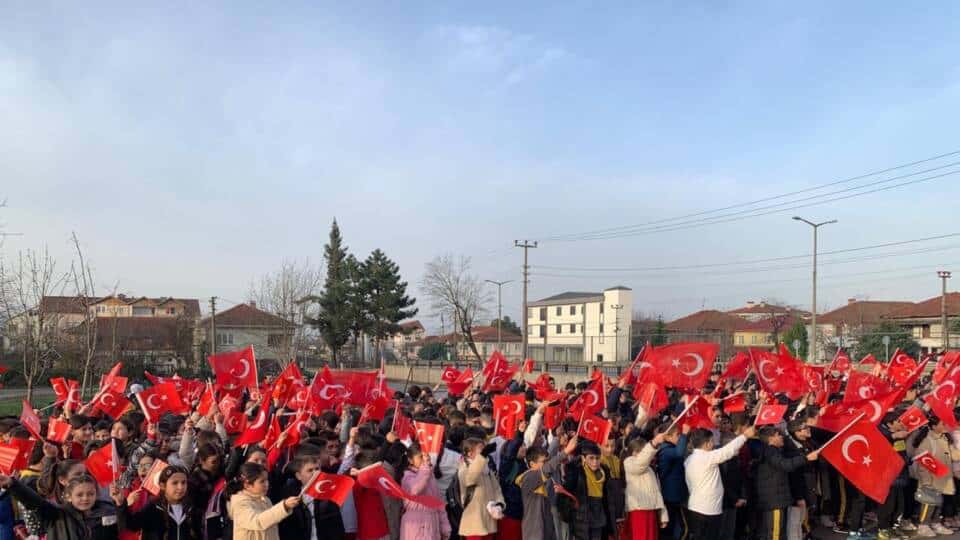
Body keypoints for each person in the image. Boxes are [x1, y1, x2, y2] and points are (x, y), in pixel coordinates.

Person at [683, 425, 755, 540]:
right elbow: (726, 451)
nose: (714, 444)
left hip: (696, 507)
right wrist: (745, 436)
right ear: (707, 444)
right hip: (708, 510)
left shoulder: (689, 459)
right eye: (712, 441)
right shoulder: (707, 458)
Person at [0, 472, 118, 540]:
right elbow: (35, 502)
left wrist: (120, 504)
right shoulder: (57, 515)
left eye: (90, 494)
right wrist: (12, 484)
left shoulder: (107, 512)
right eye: (79, 495)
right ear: (68, 497)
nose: (85, 498)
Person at [754, 427, 818, 540]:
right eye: (778, 435)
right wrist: (806, 458)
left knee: (779, 531)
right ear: (771, 438)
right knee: (775, 533)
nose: (781, 437)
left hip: (777, 499)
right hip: (774, 500)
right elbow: (785, 465)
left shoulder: (774, 451)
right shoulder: (770, 451)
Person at [114, 464, 201, 540]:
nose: (180, 487)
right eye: (175, 483)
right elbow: (130, 525)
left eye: (183, 482)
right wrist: (120, 504)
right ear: (162, 486)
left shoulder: (191, 508)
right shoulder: (153, 507)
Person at [226, 463, 299, 540]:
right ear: (247, 485)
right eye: (262, 481)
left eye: (267, 480)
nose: (267, 484)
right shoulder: (240, 503)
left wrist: (286, 507)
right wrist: (284, 506)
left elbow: (271, 523)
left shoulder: (265, 499)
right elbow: (257, 522)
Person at [909, 416, 955, 537]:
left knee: (938, 502)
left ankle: (935, 522)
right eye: (942, 423)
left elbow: (951, 456)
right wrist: (926, 481)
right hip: (931, 478)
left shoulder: (944, 438)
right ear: (934, 426)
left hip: (942, 478)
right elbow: (923, 463)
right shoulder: (928, 441)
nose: (945, 425)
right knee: (928, 503)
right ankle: (923, 525)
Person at [399, 443, 451, 540]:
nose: (425, 460)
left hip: (432, 524)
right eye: (420, 457)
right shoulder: (408, 477)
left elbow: (438, 503)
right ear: (410, 460)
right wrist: (425, 468)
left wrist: (445, 527)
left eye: (426, 456)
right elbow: (415, 489)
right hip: (416, 526)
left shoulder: (430, 476)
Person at [457, 437, 505, 540]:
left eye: (484, 448)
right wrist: (482, 456)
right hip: (474, 523)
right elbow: (470, 479)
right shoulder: (464, 468)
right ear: (470, 453)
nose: (484, 451)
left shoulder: (487, 470)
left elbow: (497, 489)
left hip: (489, 522)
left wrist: (500, 504)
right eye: (480, 448)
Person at [622, 433, 668, 540]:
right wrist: (653, 443)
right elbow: (640, 463)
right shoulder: (629, 462)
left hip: (651, 512)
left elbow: (657, 493)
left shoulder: (650, 469)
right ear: (634, 452)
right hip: (639, 512)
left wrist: (663, 515)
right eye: (643, 451)